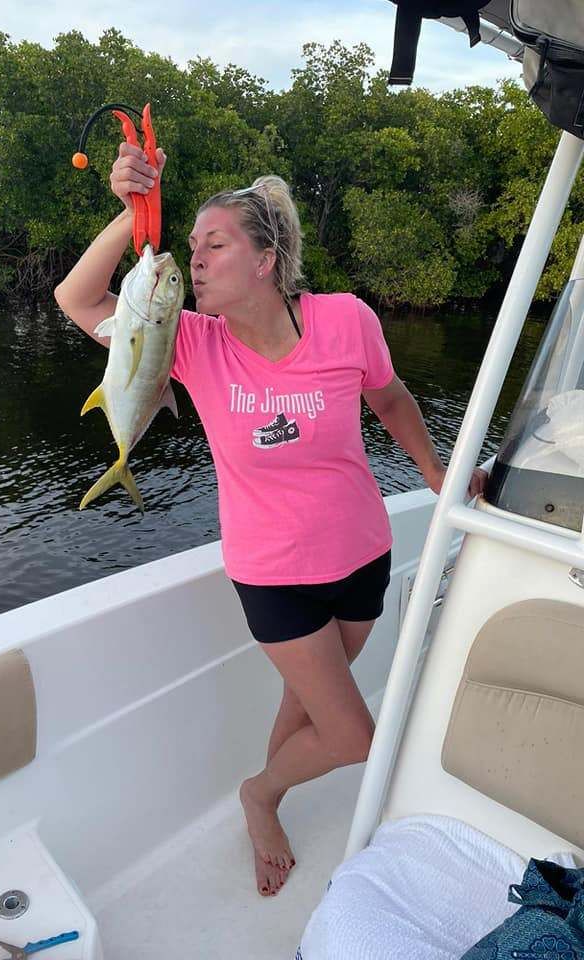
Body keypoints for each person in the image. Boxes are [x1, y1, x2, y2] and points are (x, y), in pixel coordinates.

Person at [54, 141, 488, 898]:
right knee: (354, 737)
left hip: (362, 557)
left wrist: (434, 470)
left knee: (306, 704)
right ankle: (259, 795)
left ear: (264, 260)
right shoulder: (185, 343)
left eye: (213, 245)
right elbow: (78, 300)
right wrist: (132, 219)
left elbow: (389, 400)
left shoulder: (345, 320)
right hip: (275, 576)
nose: (195, 260)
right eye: (191, 247)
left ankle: (270, 798)